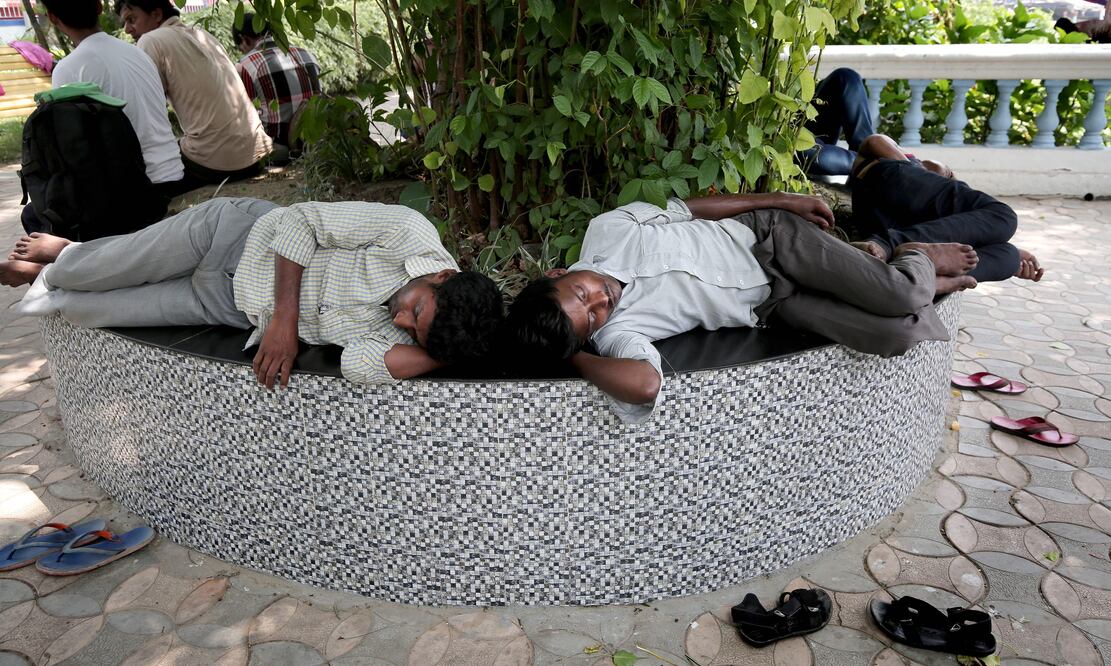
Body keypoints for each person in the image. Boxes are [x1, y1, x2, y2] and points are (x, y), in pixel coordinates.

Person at [504, 192, 979, 422]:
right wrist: (571, 352)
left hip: (768, 239)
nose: (602, 302)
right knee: (895, 335)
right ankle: (896, 271)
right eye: (591, 318)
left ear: (556, 275)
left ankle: (915, 256)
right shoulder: (616, 335)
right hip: (773, 302)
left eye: (583, 294)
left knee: (898, 296)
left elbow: (688, 209)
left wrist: (784, 201)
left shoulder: (608, 231)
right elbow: (646, 385)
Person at [1, 199, 504, 388]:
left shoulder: (426, 335)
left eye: (413, 331)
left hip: (228, 304)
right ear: (441, 275)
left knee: (84, 309)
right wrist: (285, 323)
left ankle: (52, 276)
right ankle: (67, 254)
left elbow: (359, 368)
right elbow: (301, 221)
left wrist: (446, 356)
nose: (401, 322)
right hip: (232, 236)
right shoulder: (408, 233)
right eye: (415, 309)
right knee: (97, 270)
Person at [24, 0, 184, 233]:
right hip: (173, 173)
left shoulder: (68, 69)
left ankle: (71, 267)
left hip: (140, 189)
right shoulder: (138, 53)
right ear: (99, 7)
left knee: (35, 215)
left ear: (53, 18)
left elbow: (71, 154)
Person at [115, 0, 273, 192]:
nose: (127, 29)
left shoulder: (150, 41)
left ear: (156, 14)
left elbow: (147, 113)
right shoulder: (204, 35)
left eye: (132, 19)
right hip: (258, 153)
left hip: (216, 164)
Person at [849, 134, 1044, 284]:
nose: (949, 179)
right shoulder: (908, 163)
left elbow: (960, 228)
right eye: (949, 174)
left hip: (893, 225)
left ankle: (923, 272)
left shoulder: (942, 215)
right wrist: (915, 166)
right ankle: (889, 245)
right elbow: (874, 141)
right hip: (888, 183)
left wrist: (1010, 253)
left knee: (1008, 256)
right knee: (1004, 217)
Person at [233, 13, 321, 164]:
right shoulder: (307, 55)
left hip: (280, 149)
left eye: (240, 47)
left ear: (244, 39)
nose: (242, 52)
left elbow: (248, 117)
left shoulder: (245, 66)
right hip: (317, 140)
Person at [799, 68, 874, 177]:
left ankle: (868, 151)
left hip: (797, 118)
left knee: (845, 76)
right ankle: (870, 165)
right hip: (780, 136)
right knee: (809, 152)